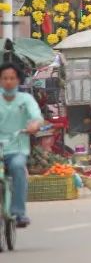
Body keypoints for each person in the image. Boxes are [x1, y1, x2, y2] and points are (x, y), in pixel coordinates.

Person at [0, 60, 44, 228]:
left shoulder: (26, 99)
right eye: (4, 78)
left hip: (16, 147)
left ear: (18, 80)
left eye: (12, 78)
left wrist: (34, 125)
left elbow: (37, 117)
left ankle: (19, 213)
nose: (8, 81)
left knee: (18, 167)